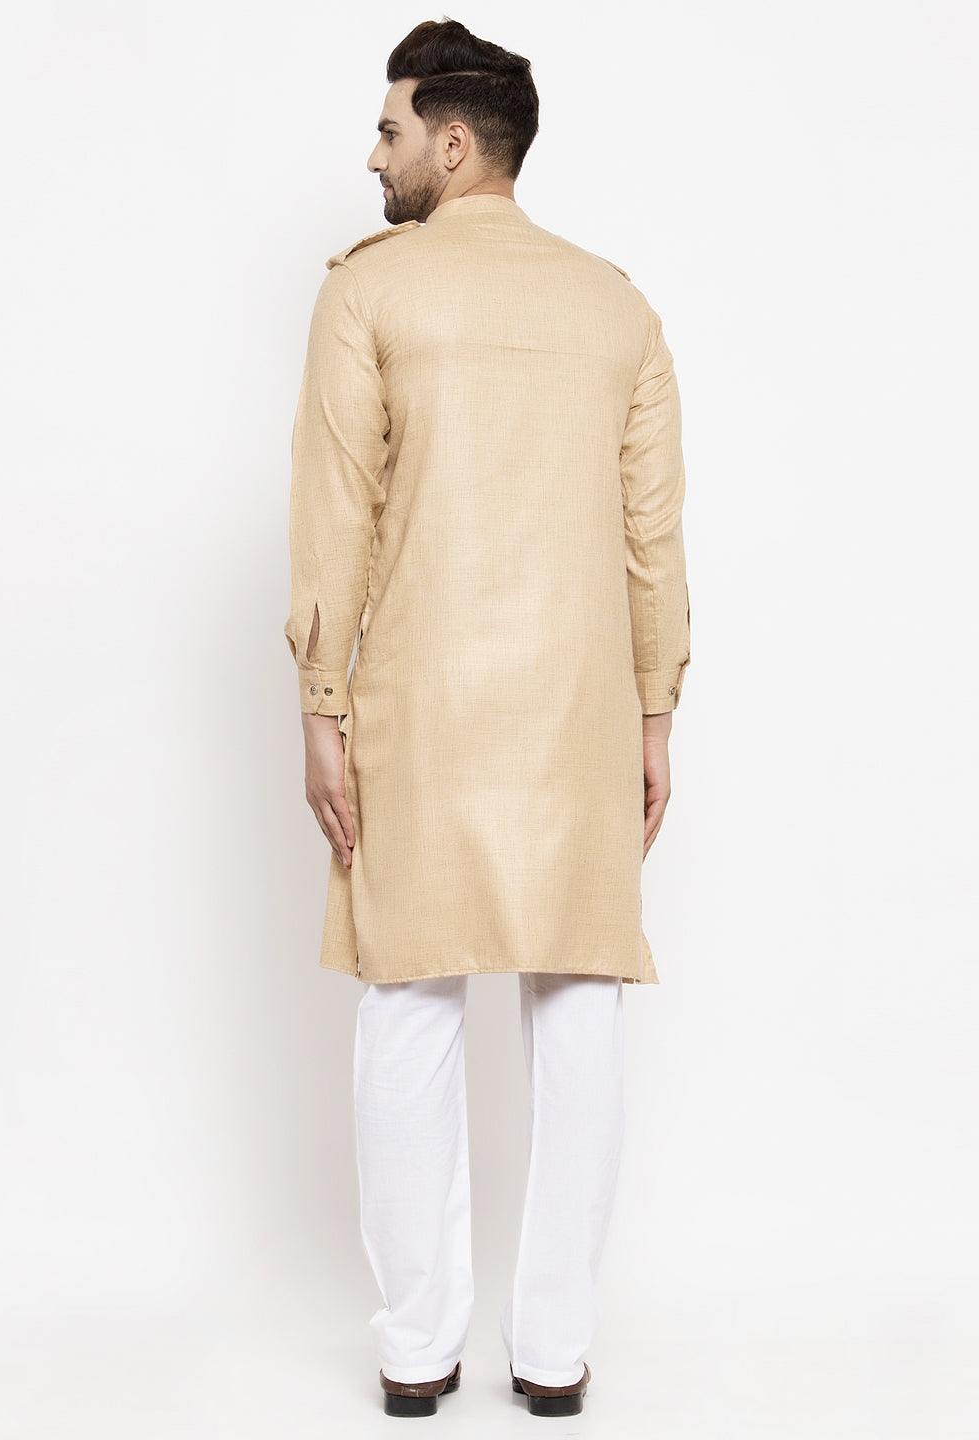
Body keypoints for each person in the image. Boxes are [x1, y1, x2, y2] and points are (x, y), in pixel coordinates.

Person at [283, 17, 691, 1420]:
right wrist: (654, 714)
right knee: (579, 1008)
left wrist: (322, 705)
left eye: (391, 130)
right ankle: (554, 1355)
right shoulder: (617, 307)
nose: (375, 156)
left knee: (409, 1004)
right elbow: (653, 540)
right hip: (579, 712)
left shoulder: (368, 292)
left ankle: (416, 1351)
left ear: (455, 144)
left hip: (423, 704)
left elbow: (336, 518)